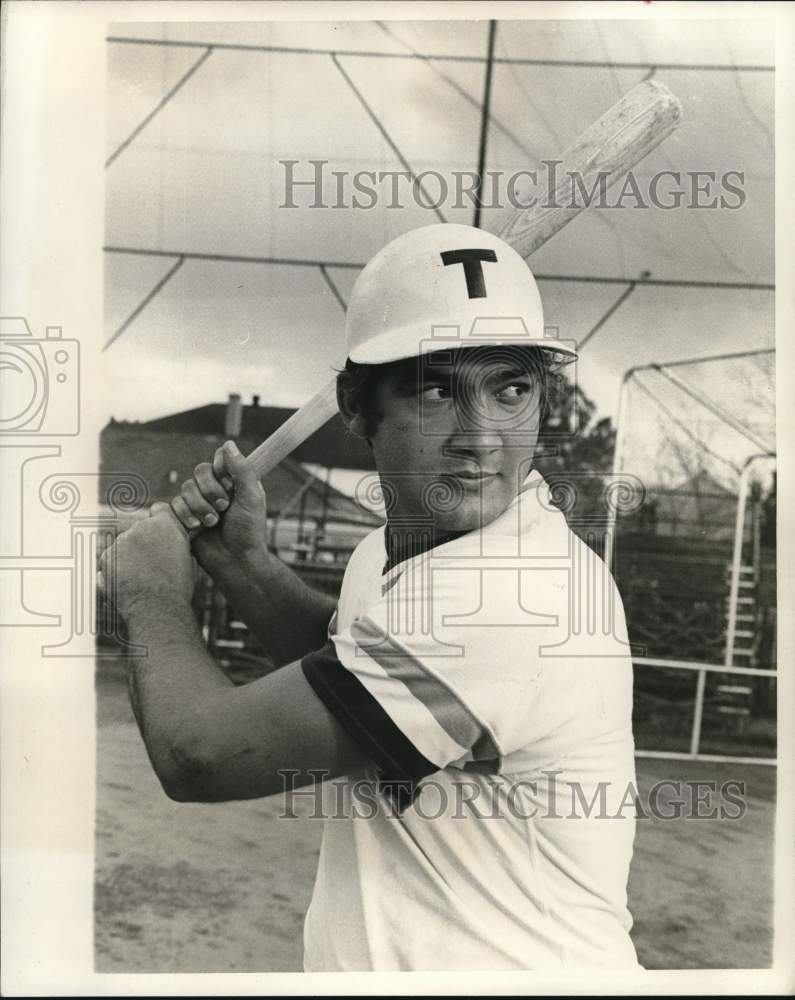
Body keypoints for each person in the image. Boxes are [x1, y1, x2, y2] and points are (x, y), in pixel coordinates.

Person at [102, 223, 641, 971]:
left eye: (510, 389)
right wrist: (242, 563)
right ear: (357, 409)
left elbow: (199, 758)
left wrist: (149, 592)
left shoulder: (516, 594)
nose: (481, 437)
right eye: (434, 392)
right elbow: (349, 672)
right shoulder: (396, 551)